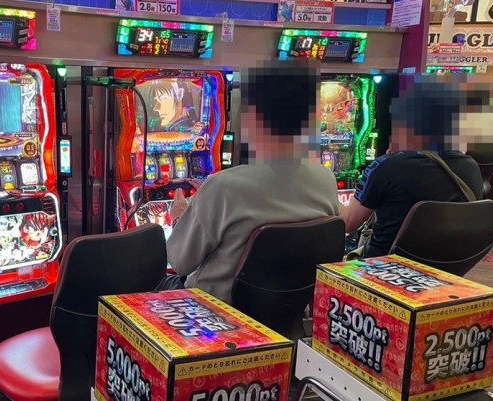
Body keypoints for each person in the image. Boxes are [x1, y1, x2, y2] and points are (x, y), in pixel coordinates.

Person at [161, 59, 340, 305]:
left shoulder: (223, 187)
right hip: (287, 311)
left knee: (151, 279)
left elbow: (179, 261)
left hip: (216, 312)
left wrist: (180, 216)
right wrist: (212, 196)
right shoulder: (325, 179)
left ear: (252, 118)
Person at [340, 75, 490, 258]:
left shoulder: (387, 167)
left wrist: (326, 189)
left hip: (385, 266)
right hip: (447, 268)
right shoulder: (470, 166)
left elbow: (347, 224)